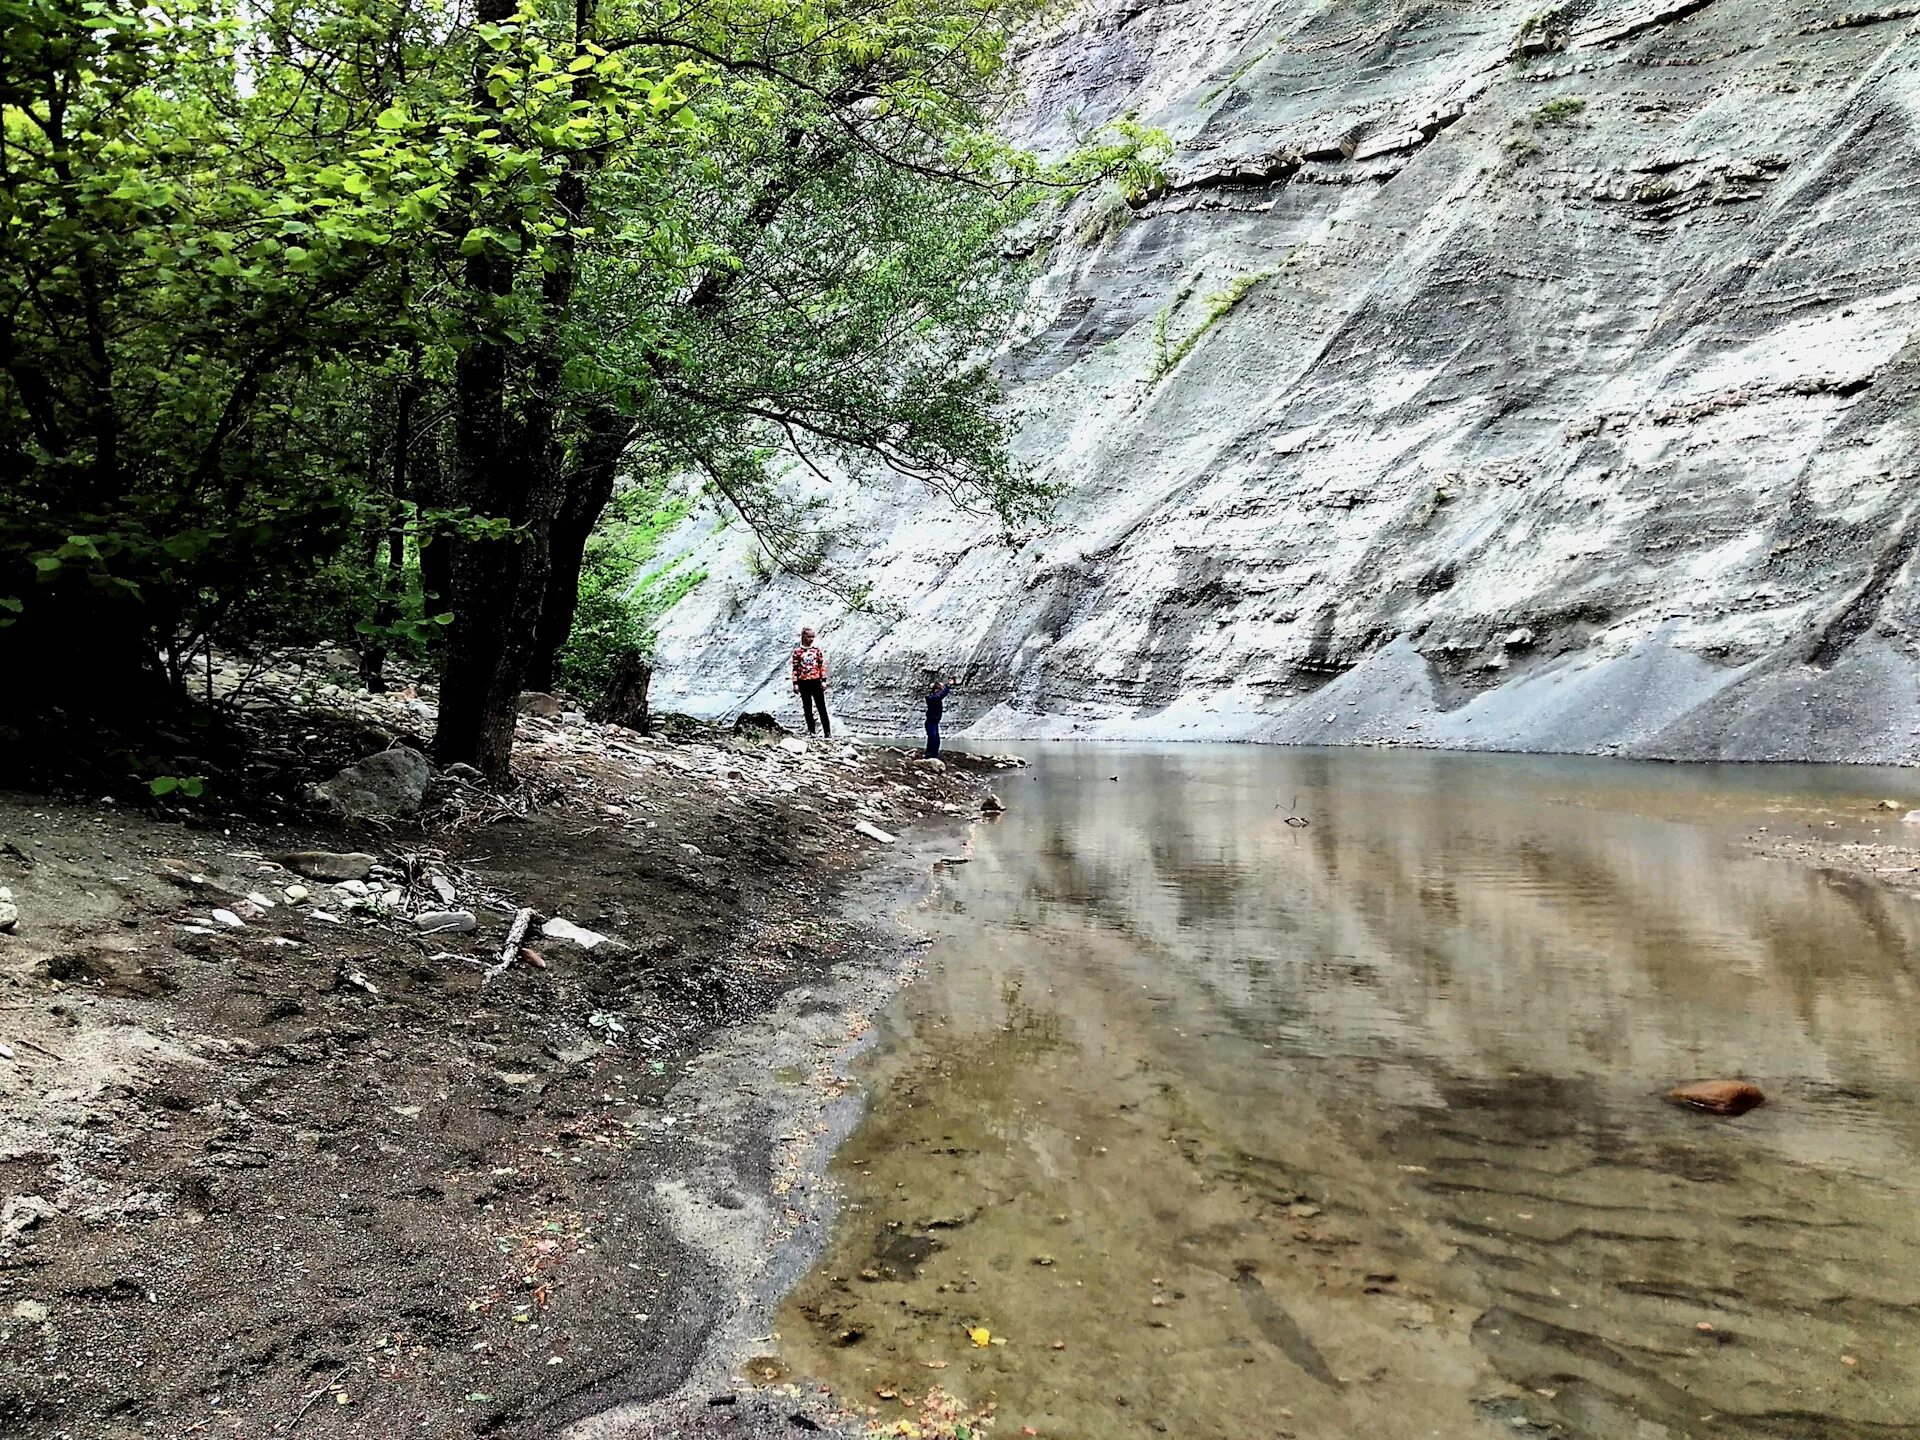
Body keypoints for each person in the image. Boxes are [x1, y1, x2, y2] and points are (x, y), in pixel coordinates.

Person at [790, 626, 830, 738]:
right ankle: (812, 731)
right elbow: (795, 668)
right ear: (803, 636)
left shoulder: (817, 651)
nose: (811, 639)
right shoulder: (797, 652)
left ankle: (827, 732)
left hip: (816, 681)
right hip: (803, 682)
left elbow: (822, 666)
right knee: (807, 708)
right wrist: (795, 683)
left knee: (821, 707)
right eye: (809, 637)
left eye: (813, 637)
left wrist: (823, 680)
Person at [924, 675, 954, 758]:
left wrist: (947, 685)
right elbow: (941, 695)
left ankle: (932, 755)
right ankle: (930, 755)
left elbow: (941, 694)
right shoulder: (932, 698)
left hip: (934, 722)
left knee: (935, 739)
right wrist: (948, 685)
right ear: (936, 690)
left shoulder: (934, 697)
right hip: (931, 722)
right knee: (933, 738)